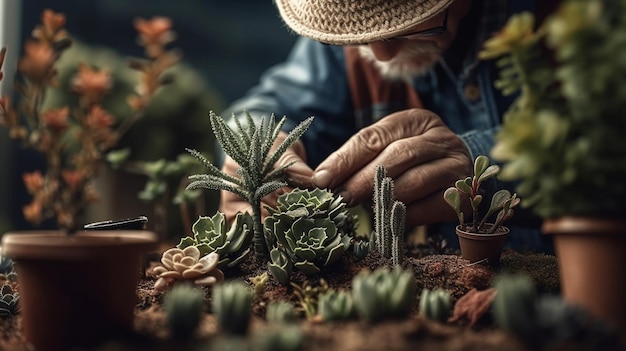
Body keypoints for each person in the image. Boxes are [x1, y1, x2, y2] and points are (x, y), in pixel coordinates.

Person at [219, 0, 558, 253]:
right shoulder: (348, 14)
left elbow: (606, 148)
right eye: (361, 34)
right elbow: (265, 108)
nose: (381, 53)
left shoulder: (576, 26)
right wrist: (256, 145)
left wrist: (484, 165)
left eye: (420, 22)